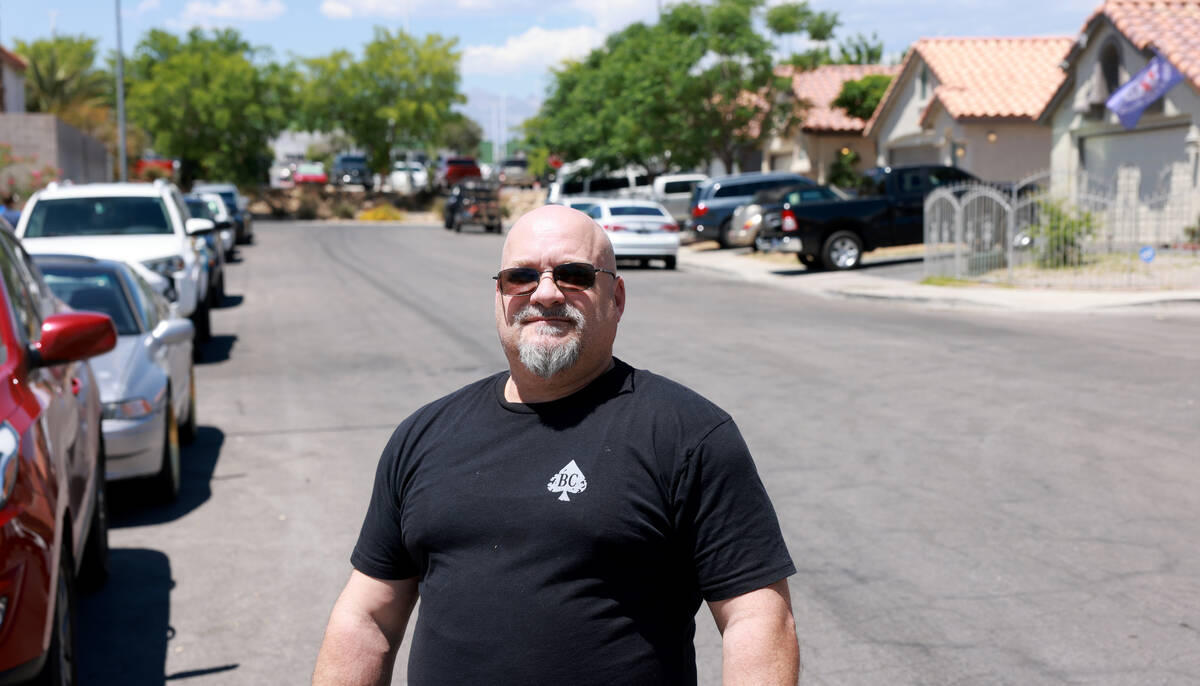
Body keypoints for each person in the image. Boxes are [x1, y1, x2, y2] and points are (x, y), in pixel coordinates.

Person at [313, 205, 799, 686]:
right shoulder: (423, 436)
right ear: (499, 295)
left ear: (617, 297)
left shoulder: (687, 434)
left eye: (574, 275)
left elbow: (756, 619)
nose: (545, 293)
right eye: (521, 276)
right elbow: (368, 617)